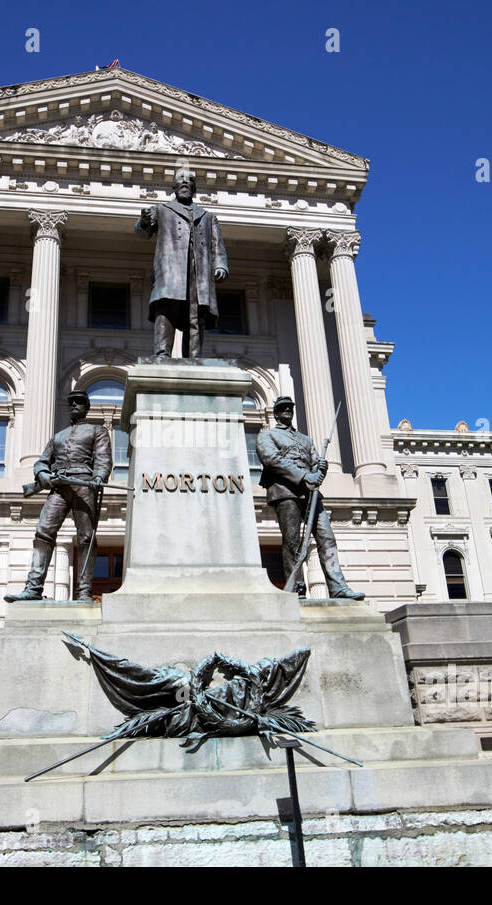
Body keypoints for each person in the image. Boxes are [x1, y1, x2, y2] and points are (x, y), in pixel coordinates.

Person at [5, 390, 112, 603]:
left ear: (87, 407)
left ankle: (83, 592)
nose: (74, 405)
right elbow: (41, 462)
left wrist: (99, 476)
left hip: (84, 485)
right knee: (43, 532)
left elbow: (103, 458)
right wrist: (43, 475)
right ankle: (33, 589)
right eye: (71, 402)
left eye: (79, 402)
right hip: (59, 487)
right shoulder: (57, 436)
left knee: (86, 538)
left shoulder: (97, 430)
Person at [255, 395, 364, 600]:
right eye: (283, 408)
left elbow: (315, 464)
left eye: (290, 407)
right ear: (276, 413)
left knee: (327, 538)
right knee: (293, 542)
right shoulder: (266, 436)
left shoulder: (306, 440)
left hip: (311, 494)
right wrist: (306, 475)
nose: (287, 410)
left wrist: (320, 468)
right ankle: (296, 589)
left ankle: (338, 587)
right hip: (285, 492)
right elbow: (272, 460)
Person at [135, 167, 228, 358]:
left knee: (196, 314)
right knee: (166, 309)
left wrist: (221, 264)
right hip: (171, 270)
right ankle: (162, 353)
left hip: (199, 271)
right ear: (174, 186)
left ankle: (194, 357)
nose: (185, 182)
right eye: (181, 179)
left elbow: (216, 244)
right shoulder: (161, 210)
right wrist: (144, 220)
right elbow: (142, 232)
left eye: (190, 180)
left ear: (194, 188)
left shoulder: (208, 217)